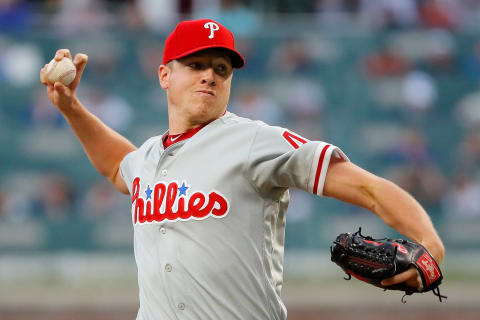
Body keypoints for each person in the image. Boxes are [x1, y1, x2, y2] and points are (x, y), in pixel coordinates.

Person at [40, 19, 445, 320]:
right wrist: (71, 107)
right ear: (165, 75)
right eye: (196, 64)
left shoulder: (256, 142)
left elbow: (368, 188)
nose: (209, 76)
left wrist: (429, 241)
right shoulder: (148, 157)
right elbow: (117, 166)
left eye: (221, 69)